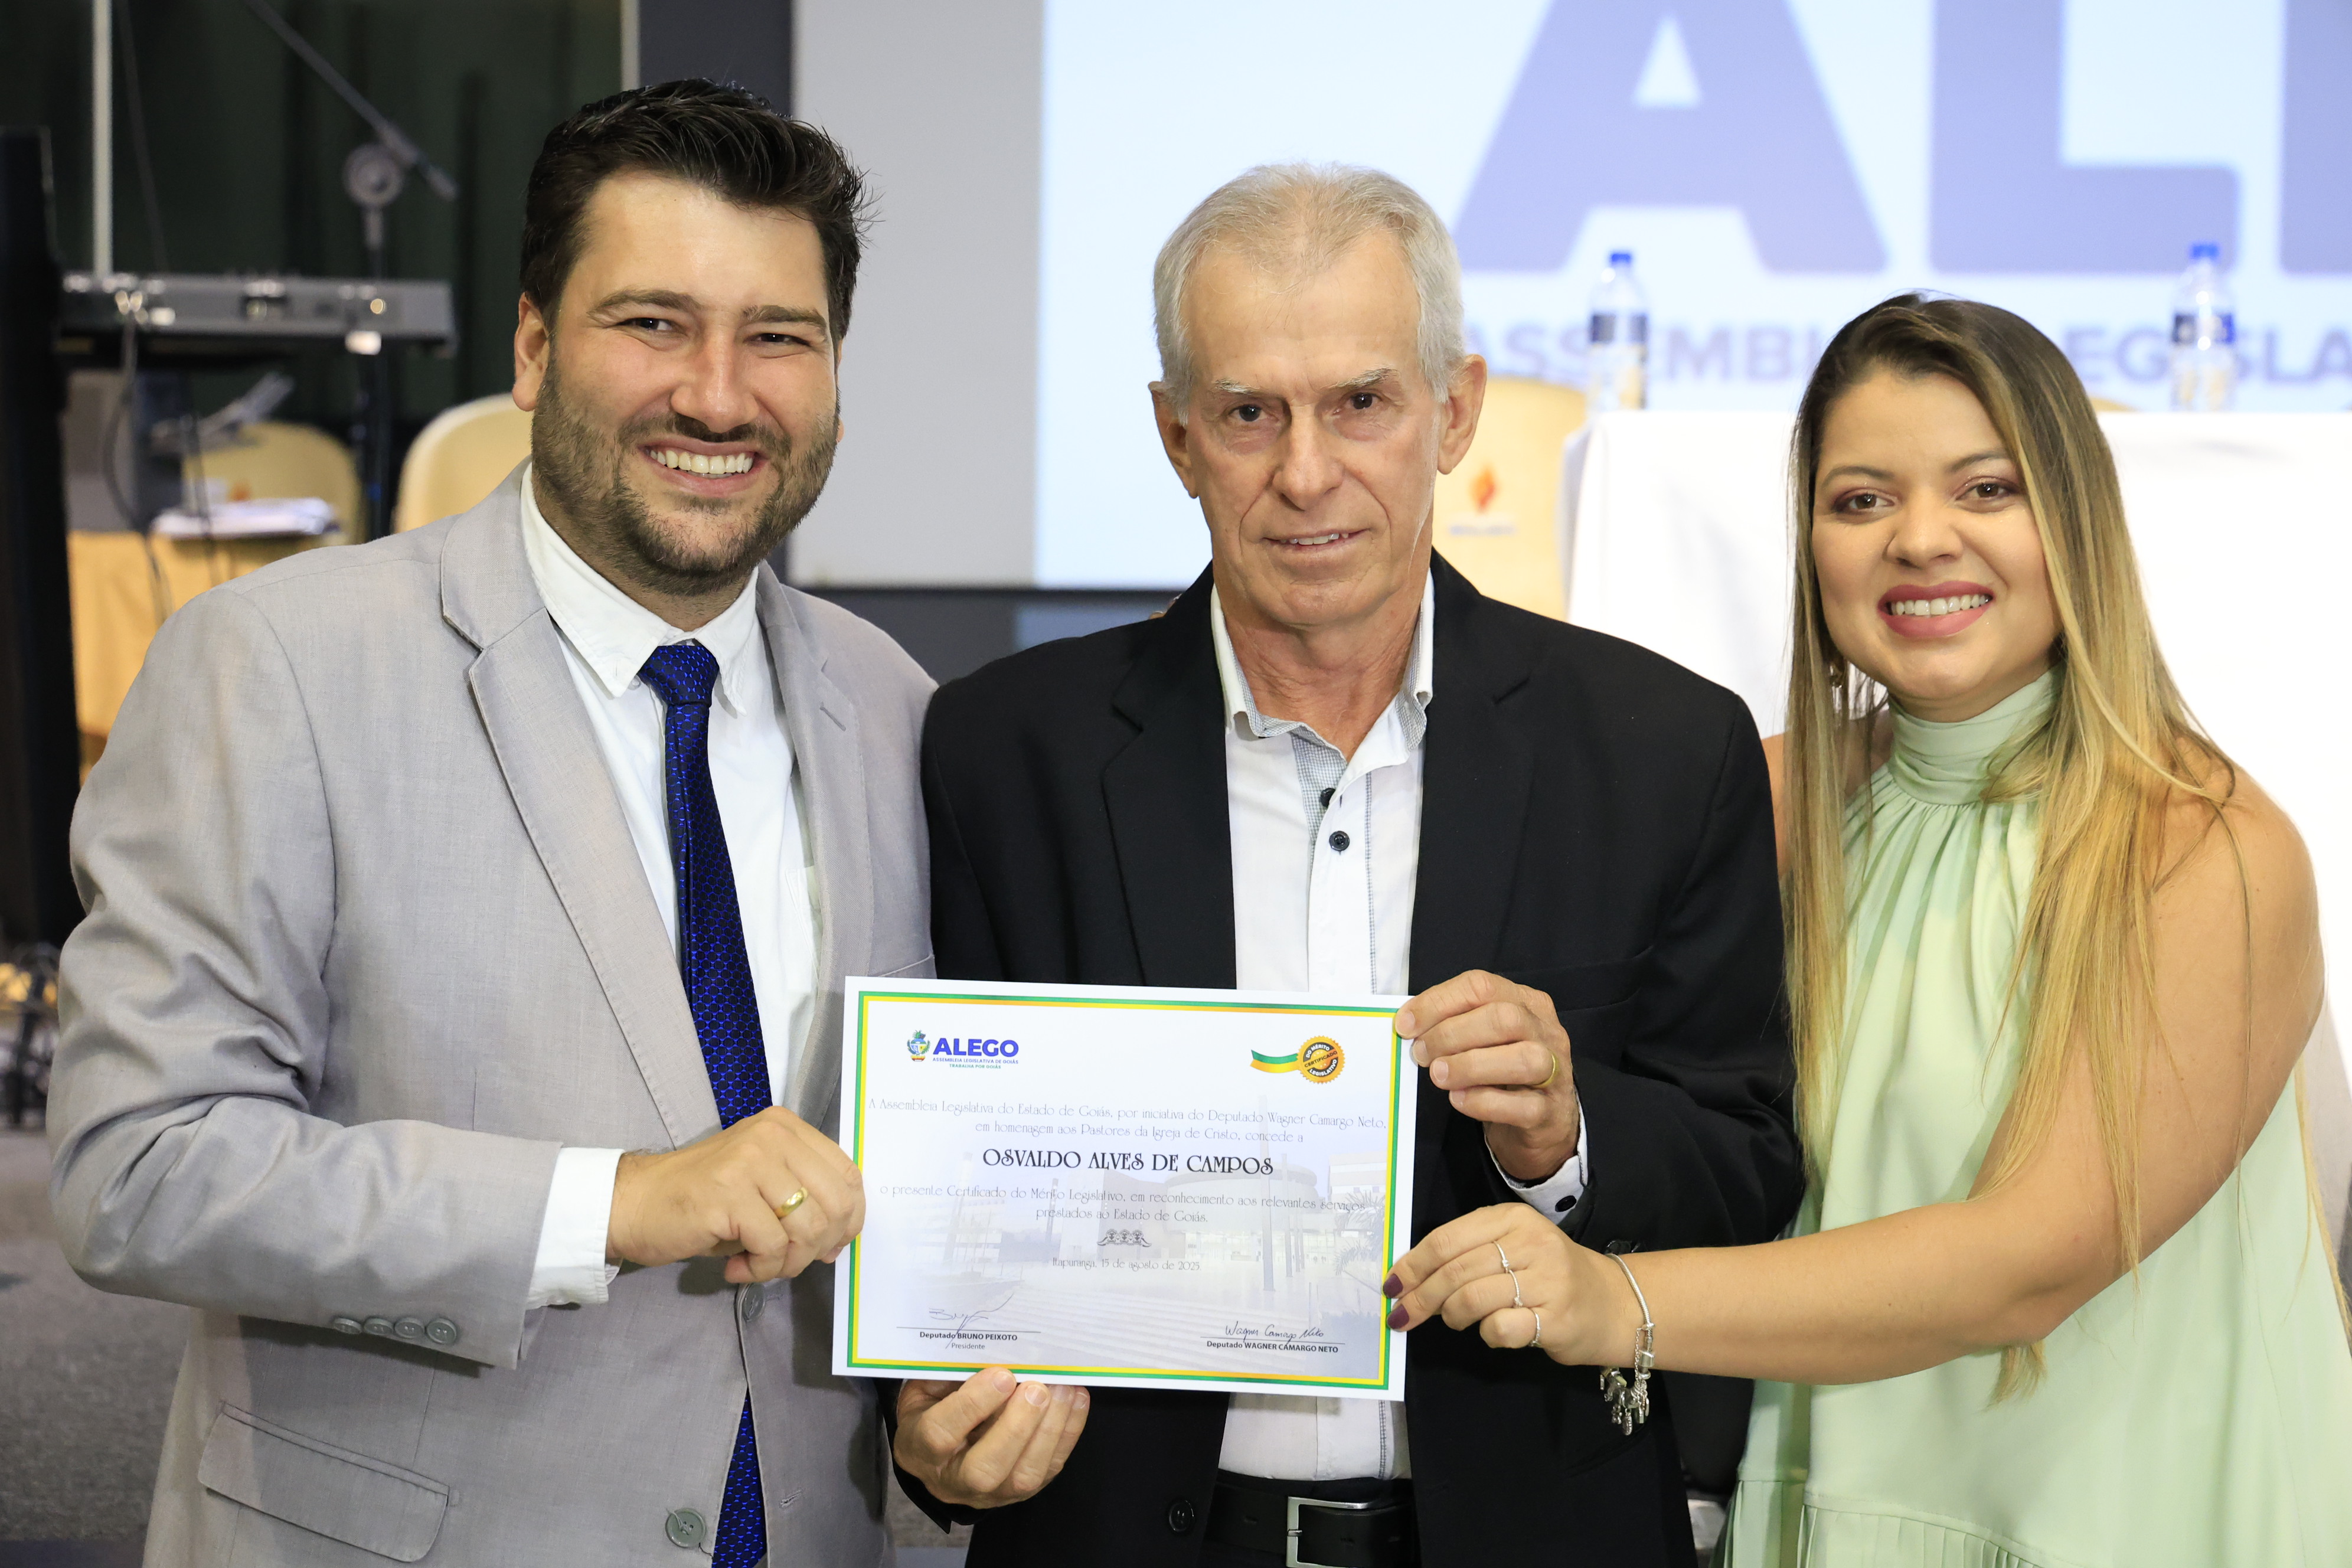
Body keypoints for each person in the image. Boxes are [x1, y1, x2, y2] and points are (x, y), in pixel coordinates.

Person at [43, 81, 1081, 1567]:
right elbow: (139, 1165)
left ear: (835, 376)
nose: (717, 395)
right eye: (654, 322)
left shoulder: (898, 706)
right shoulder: (276, 667)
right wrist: (613, 1200)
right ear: (533, 348)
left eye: (778, 337)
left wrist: (947, 1422)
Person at [894, 163, 1804, 1568]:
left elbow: (1747, 1168)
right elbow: (943, 1184)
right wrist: (934, 1425)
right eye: (1249, 412)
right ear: (1177, 436)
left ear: (1456, 411)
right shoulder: (1005, 751)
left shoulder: (1663, 748)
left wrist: (1568, 1136)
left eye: (1362, 402)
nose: (1306, 471)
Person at [1386, 295, 2352, 1566]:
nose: (1921, 538)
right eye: (1861, 499)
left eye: (1988, 488)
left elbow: (2030, 1258)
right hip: (1821, 1511)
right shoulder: (1764, 802)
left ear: (2077, 518)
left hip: (2121, 1520)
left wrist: (1616, 1302)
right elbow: (1680, 1127)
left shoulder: (2204, 848)